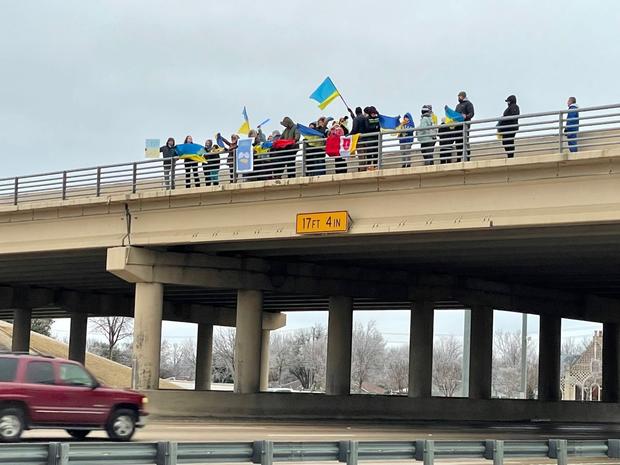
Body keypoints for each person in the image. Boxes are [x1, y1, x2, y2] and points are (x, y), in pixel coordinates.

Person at [454, 91, 475, 161]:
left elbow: (472, 113)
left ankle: (468, 158)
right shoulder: (458, 105)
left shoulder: (468, 104)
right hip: (458, 126)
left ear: (463, 96)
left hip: (465, 125)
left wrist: (466, 116)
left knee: (465, 141)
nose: (458, 98)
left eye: (459, 96)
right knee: (458, 142)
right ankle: (458, 158)